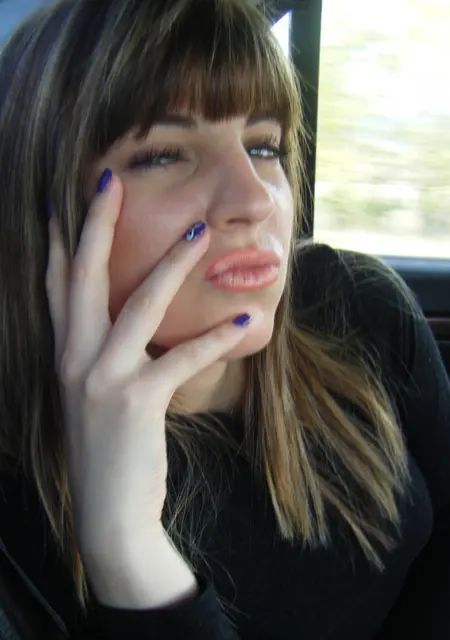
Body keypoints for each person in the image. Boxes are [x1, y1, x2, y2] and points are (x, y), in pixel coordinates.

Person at [0, 0, 449, 638]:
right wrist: (126, 548)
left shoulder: (358, 305)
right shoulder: (17, 495)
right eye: (164, 155)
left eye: (264, 146)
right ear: (51, 212)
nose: (255, 198)